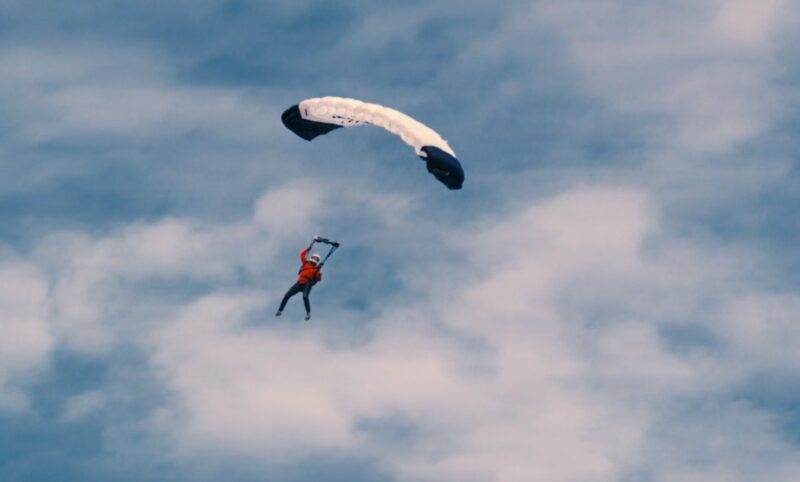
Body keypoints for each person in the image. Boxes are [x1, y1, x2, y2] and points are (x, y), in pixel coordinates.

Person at [276, 238, 323, 320]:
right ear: (312, 257)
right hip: (299, 283)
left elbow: (318, 279)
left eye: (317, 259)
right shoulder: (306, 263)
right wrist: (309, 248)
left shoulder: (317, 269)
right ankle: (280, 310)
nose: (315, 259)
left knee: (305, 296)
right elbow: (302, 254)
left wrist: (319, 270)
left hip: (307, 284)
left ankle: (308, 313)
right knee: (287, 295)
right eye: (314, 258)